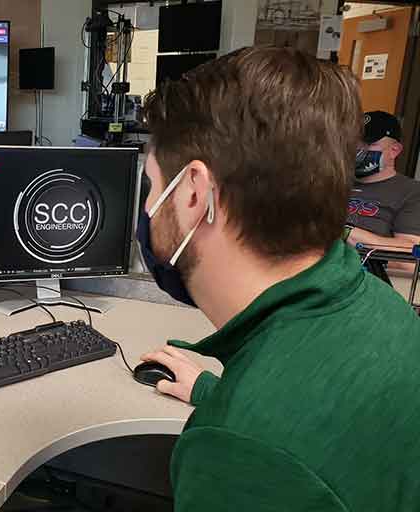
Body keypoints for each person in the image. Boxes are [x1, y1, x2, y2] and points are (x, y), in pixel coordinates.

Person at [137, 47, 420, 511]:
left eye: (151, 185)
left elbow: (275, 446)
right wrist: (218, 393)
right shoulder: (377, 305)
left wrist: (238, 415)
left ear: (193, 192)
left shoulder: (243, 449)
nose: (148, 208)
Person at [347, 111, 420, 251]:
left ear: (394, 150)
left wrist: (346, 233)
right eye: (355, 141)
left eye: (369, 143)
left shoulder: (411, 192)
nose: (358, 148)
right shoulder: (332, 183)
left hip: (364, 269)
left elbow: (410, 257)